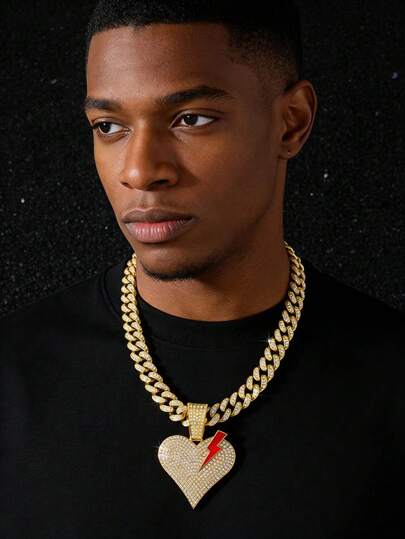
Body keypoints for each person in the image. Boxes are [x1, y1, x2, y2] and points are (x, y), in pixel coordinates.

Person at [1, 1, 403, 538]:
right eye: (110, 126)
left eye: (191, 119)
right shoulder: (13, 375)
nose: (140, 171)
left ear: (291, 122)